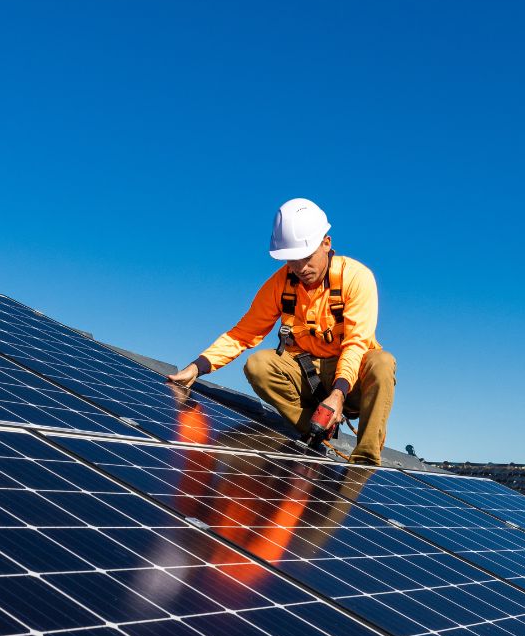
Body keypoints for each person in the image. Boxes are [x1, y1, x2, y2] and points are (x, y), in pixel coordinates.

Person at [167, 198, 396, 465]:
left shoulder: (356, 278)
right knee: (259, 365)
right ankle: (315, 430)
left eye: (307, 258)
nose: (301, 268)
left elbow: (356, 344)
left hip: (351, 380)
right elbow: (243, 333)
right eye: (293, 260)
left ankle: (365, 460)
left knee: (382, 362)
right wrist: (197, 367)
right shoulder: (280, 284)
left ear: (326, 243)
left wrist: (338, 393)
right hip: (305, 373)